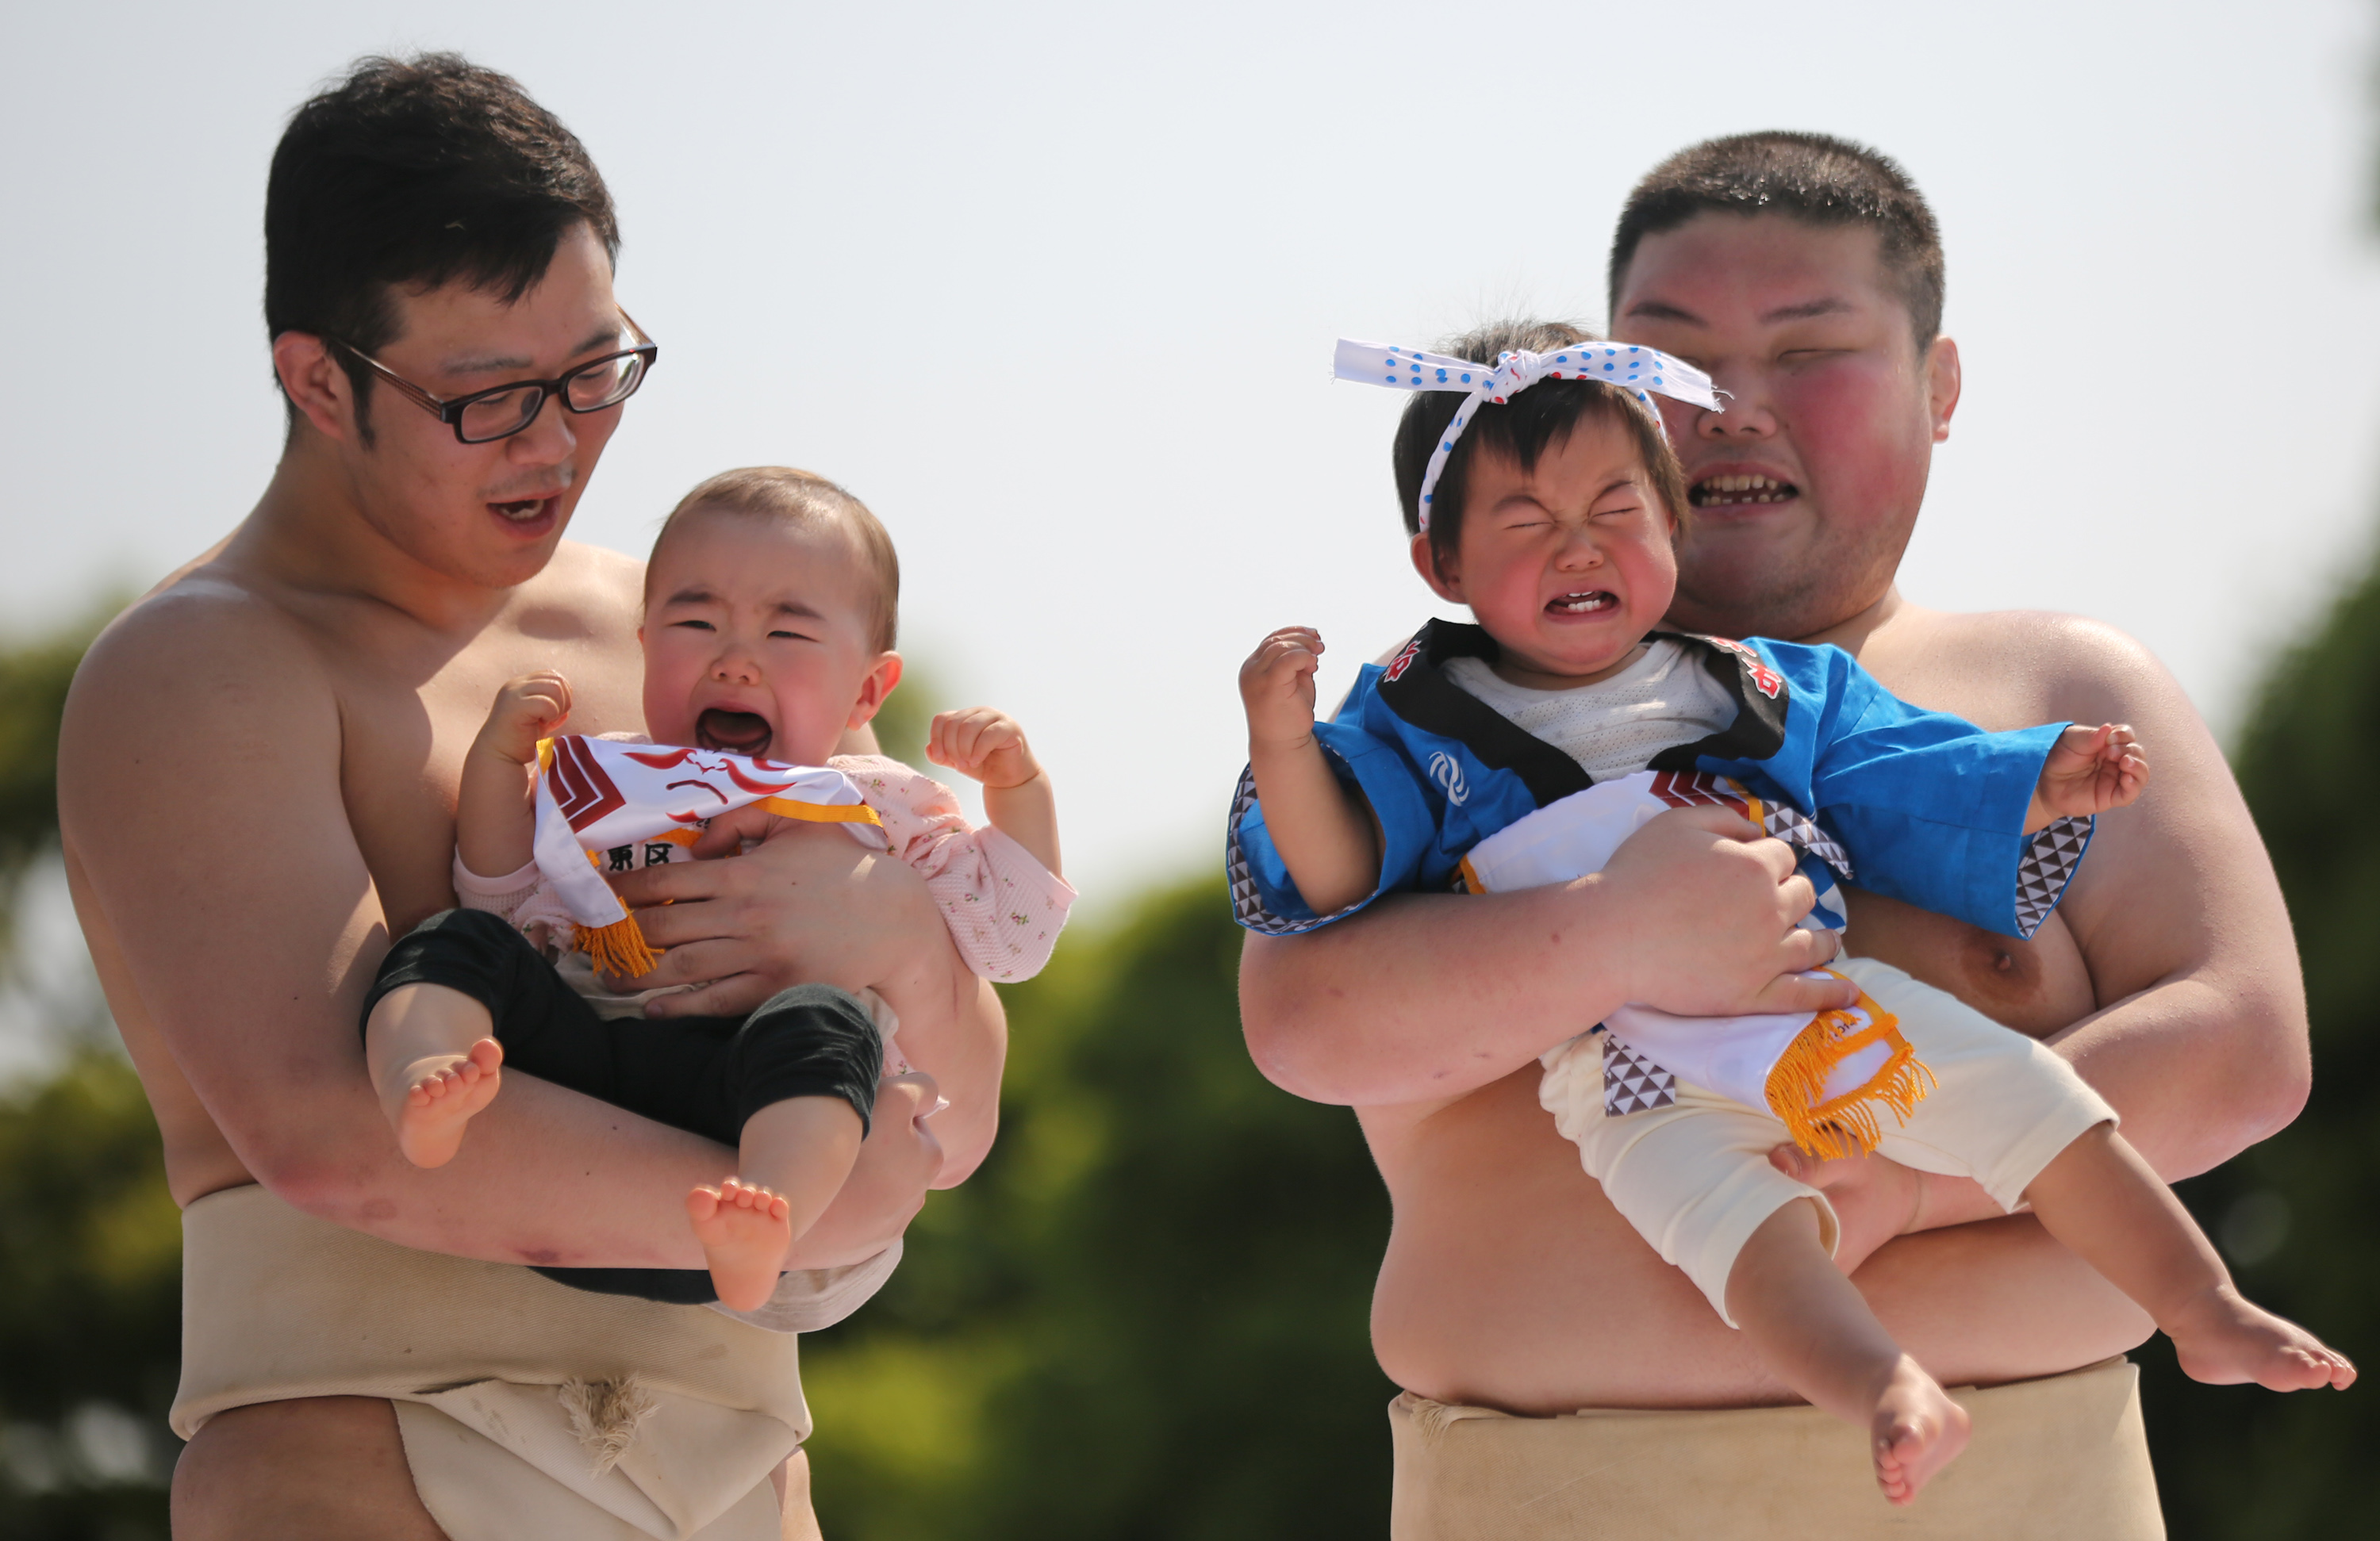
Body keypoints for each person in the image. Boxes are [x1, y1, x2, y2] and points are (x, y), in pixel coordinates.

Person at [1237, 133, 2313, 1537]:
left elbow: (2244, 1041)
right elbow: (1306, 1022)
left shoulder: (2058, 693)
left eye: (1808, 349)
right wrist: (1610, 931)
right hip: (1551, 1487)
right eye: (1671, 358)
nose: (1733, 405)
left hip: (2024, 1484)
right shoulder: (1431, 722)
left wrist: (1904, 1184)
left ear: (1939, 387)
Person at [58, 56, 1002, 1540]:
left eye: (596, 371)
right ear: (318, 379)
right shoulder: (201, 668)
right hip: (368, 1453)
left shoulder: (686, 630)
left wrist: (900, 939)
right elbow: (328, 1130)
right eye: (491, 396)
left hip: (744, 1471)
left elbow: (960, 1081)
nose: (559, 441)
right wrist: (812, 1195)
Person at [368, 466, 1070, 1310]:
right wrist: (498, 768)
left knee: (825, 1028)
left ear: (868, 688)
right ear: (643, 645)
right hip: (573, 1097)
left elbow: (1015, 936)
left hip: (741, 1114)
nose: (735, 659)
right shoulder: (600, 776)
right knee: (452, 942)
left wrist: (1020, 790)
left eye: (788, 634)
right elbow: (505, 901)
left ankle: (768, 1216)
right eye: (696, 622)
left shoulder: (877, 803)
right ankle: (425, 1082)